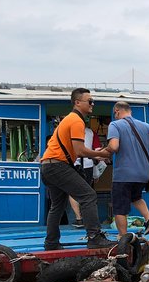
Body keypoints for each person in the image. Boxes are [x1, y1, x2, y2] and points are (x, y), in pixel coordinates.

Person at [40, 88, 113, 250]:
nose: (92, 104)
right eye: (90, 101)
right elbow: (80, 150)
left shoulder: (70, 119)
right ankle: (94, 237)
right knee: (88, 195)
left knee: (57, 205)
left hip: (48, 166)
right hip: (57, 166)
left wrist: (96, 154)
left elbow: (76, 151)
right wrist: (100, 154)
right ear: (77, 102)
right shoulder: (76, 121)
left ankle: (51, 243)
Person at [104, 101, 149, 237]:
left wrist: (103, 152)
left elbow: (113, 147)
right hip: (143, 175)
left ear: (117, 111)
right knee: (136, 197)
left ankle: (123, 237)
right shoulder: (146, 126)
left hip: (123, 175)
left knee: (120, 208)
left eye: (115, 113)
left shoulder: (115, 125)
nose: (115, 116)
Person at [69, 126, 102, 228]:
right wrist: (97, 174)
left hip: (73, 164)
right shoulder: (91, 132)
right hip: (88, 165)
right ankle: (90, 220)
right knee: (87, 192)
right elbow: (98, 150)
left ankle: (79, 219)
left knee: (72, 192)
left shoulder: (70, 131)